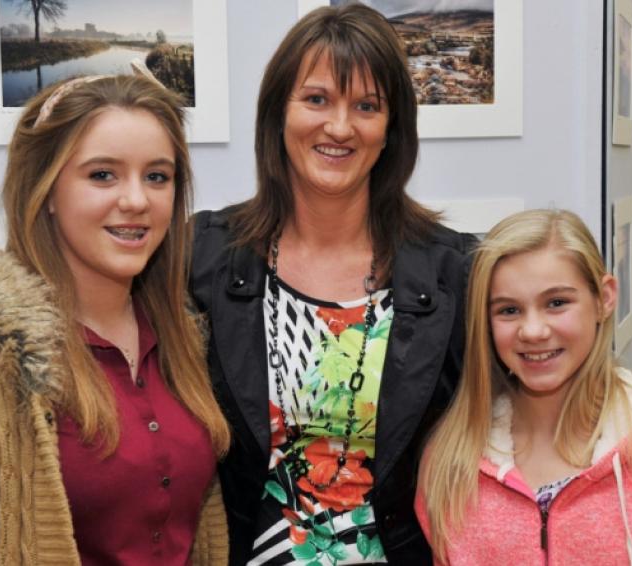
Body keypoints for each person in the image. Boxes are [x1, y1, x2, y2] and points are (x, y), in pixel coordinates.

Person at [190, 4, 477, 565]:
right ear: (278, 113)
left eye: (366, 106)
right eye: (317, 99)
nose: (340, 127)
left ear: (392, 127)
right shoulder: (200, 258)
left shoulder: (454, 272)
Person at [0, 73, 230, 564]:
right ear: (46, 191)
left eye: (157, 176)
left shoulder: (186, 337)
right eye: (102, 175)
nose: (135, 200)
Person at [415, 209, 632, 565]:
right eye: (509, 310)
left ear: (604, 299)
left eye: (556, 303)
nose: (533, 331)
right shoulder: (451, 462)